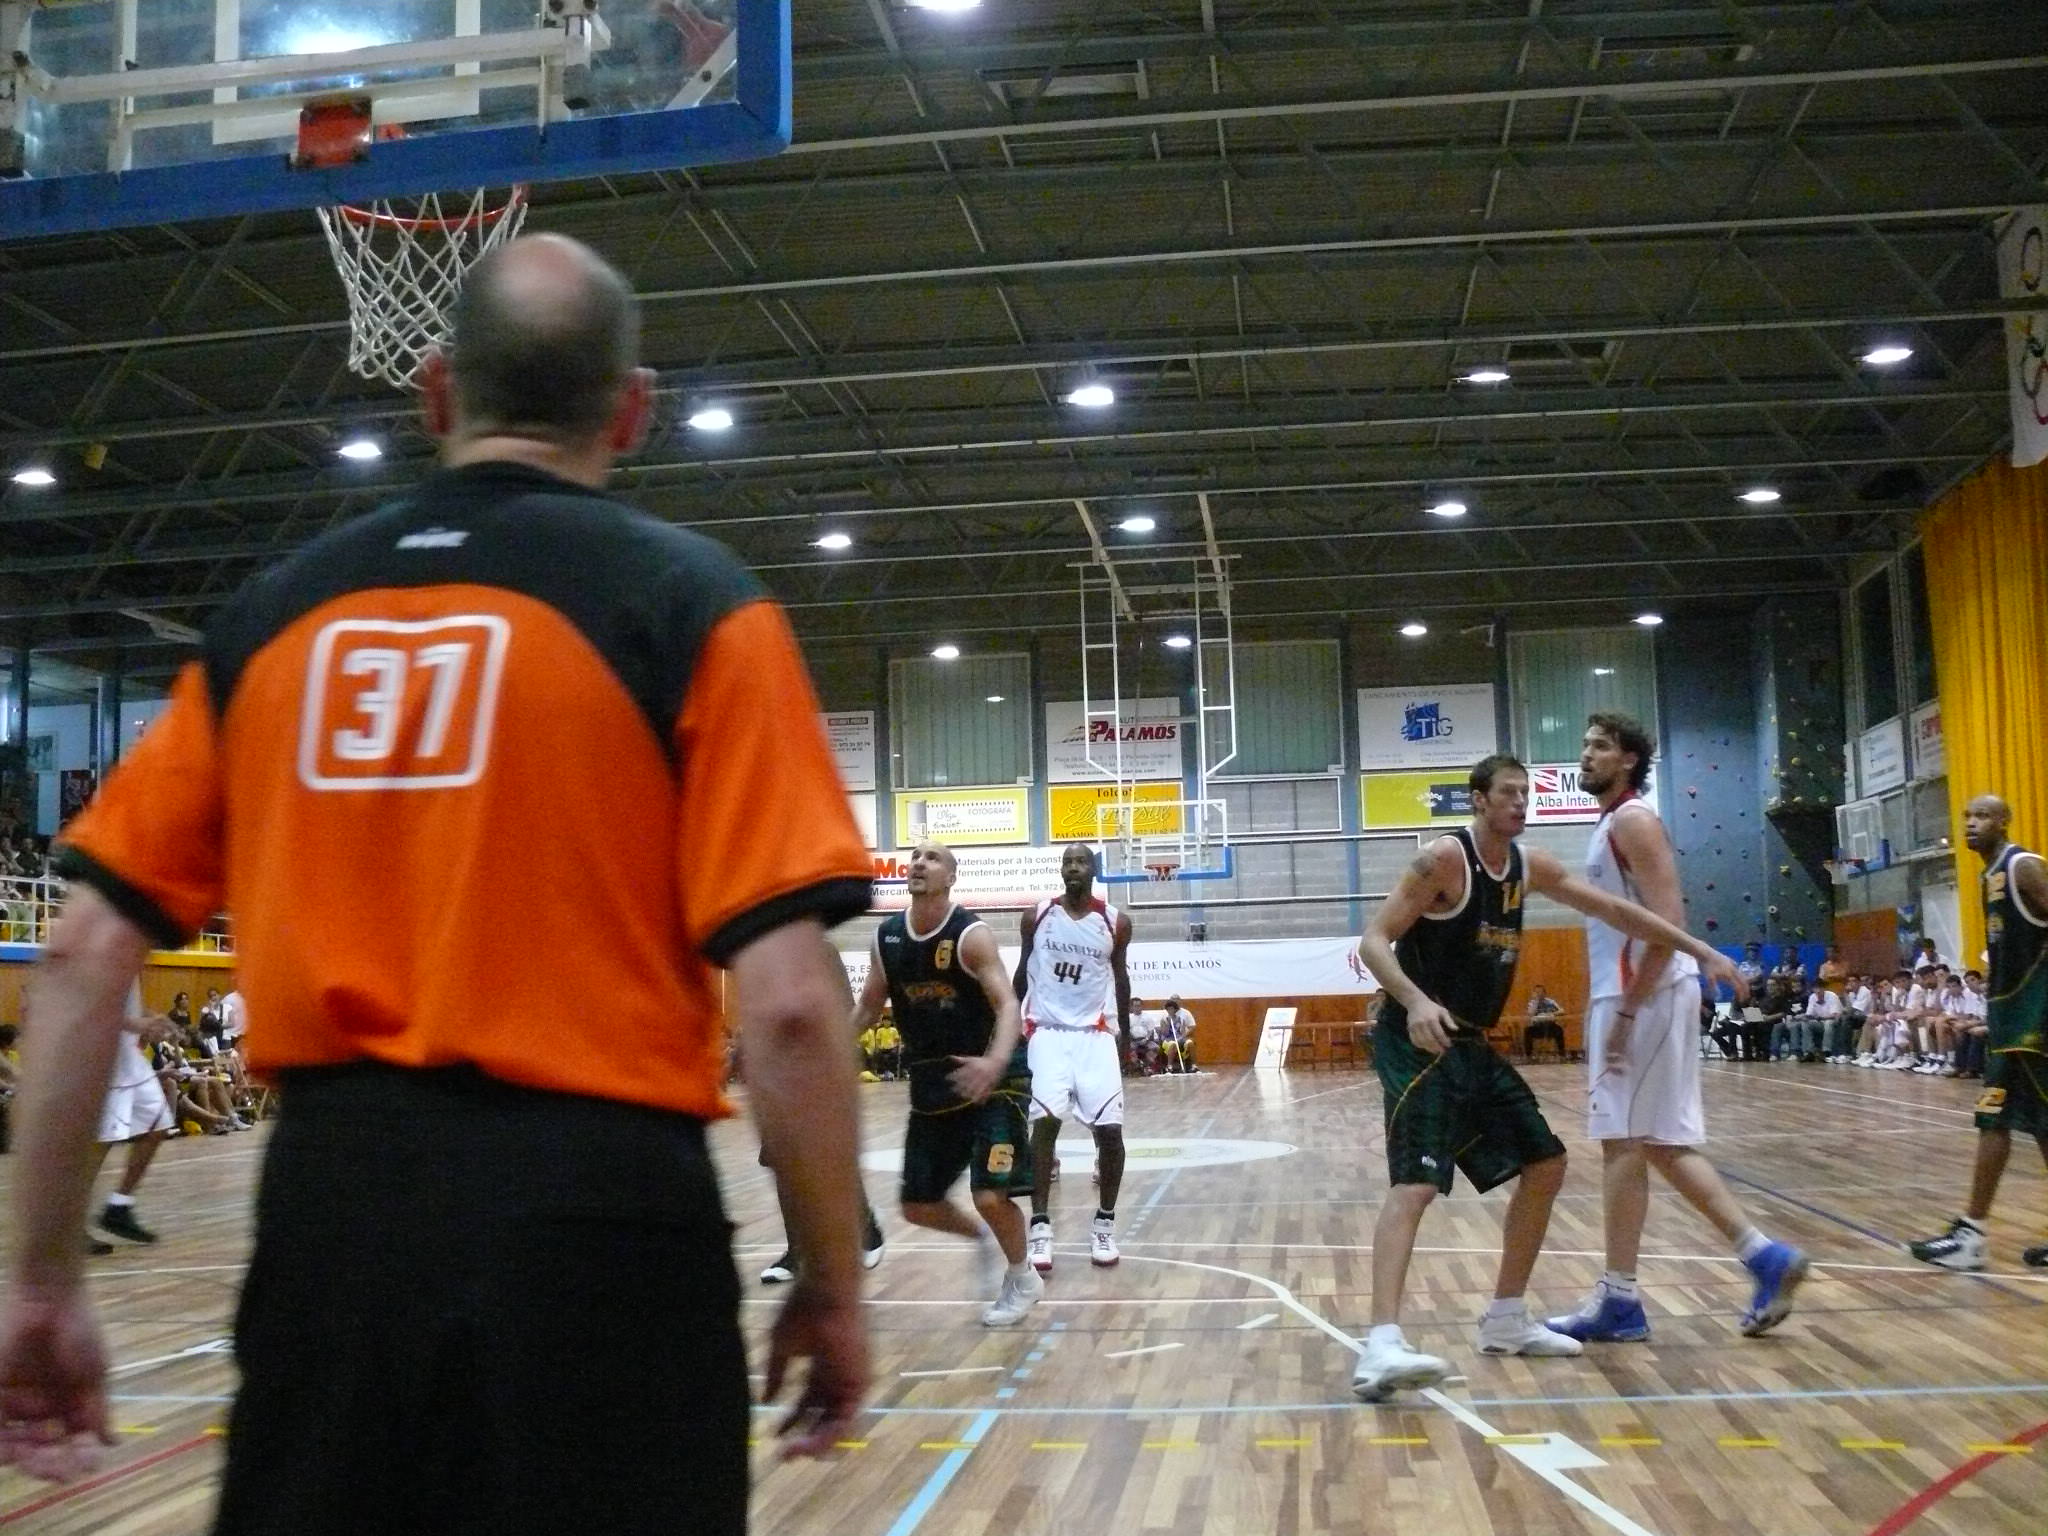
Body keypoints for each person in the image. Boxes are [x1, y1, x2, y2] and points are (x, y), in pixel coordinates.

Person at [0, 234, 874, 1523]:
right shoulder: (694, 606)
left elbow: (80, 955)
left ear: (434, 392)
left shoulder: (274, 616)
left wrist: (37, 1285)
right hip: (604, 1220)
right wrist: (832, 1285)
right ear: (630, 411)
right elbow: (792, 1006)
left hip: (334, 1218)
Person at [1351, 752, 1743, 1400]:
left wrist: (1698, 949)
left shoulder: (1528, 866)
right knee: (1416, 1185)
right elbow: (1373, 939)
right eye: (1507, 793)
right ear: (1478, 799)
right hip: (1415, 1039)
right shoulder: (1445, 859)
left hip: (1470, 1042)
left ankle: (1506, 1317)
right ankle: (1380, 1345)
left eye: (1525, 794)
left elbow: (1617, 911)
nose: (1519, 803)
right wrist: (1415, 1000)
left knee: (1546, 1162)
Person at [1546, 714, 1807, 1348]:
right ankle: (1763, 1256)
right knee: (1658, 1142)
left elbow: (1668, 922)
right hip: (1641, 995)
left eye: (1600, 746)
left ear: (1629, 760)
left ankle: (1620, 1299)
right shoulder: (1611, 822)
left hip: (1644, 995)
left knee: (1622, 1142)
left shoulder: (1633, 820)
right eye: (1585, 745)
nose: (1586, 755)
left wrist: (1627, 1011)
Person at [855, 842, 1041, 1326]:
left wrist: (994, 1062)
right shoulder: (887, 938)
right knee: (917, 1205)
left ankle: (1022, 1278)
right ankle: (982, 1238)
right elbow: (868, 1007)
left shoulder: (970, 935)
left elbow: (1008, 1005)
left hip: (995, 1077)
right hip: (934, 1082)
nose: (919, 862)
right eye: (916, 856)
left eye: (933, 858)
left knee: (989, 1195)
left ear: (951, 877)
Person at [1909, 795, 2048, 1272]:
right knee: (2030, 1124)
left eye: (1983, 816)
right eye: (1967, 816)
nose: (1971, 823)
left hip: (2033, 1021)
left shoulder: (2023, 866)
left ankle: (1971, 1235)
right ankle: (1971, 1233)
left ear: (2005, 822)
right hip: (2012, 1019)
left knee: (1993, 1118)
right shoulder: (1990, 875)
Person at [1016, 844, 1133, 1273]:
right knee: (1044, 1124)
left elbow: (1120, 976)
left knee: (1111, 1132)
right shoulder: (1037, 915)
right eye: (1067, 861)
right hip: (1047, 1032)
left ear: (1094, 870)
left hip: (1095, 1034)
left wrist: (1122, 1038)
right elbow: (1022, 973)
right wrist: (1010, 1024)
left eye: (1081, 861)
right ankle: (1040, 1228)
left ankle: (1104, 1224)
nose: (1073, 867)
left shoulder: (1115, 922)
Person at [1158, 994, 1197, 1074]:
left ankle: (1194, 1066)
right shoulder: (1164, 1018)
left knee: (1190, 1043)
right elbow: (1164, 1033)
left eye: (1172, 1009)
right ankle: (1169, 1066)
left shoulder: (1181, 1019)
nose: (1170, 1011)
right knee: (1173, 1044)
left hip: (1180, 1038)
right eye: (1169, 1009)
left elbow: (1183, 1031)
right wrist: (1168, 1023)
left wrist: (1182, 1037)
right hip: (1168, 1039)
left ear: (1175, 1009)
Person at [1524, 986, 1565, 1059]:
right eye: (1536, 992)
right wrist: (1536, 1002)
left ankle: (1562, 1054)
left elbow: (1562, 1011)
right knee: (1527, 1031)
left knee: (1559, 1030)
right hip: (1537, 1027)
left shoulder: (1550, 1002)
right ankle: (1528, 1056)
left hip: (1550, 1026)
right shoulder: (1532, 1003)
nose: (1539, 994)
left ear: (1545, 993)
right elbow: (1531, 1014)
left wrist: (1552, 1014)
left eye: (1540, 992)